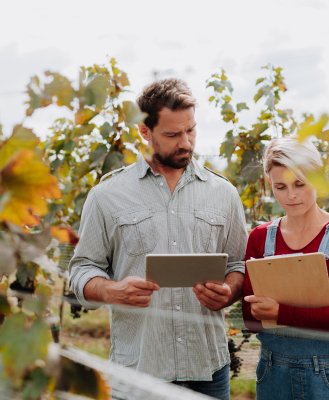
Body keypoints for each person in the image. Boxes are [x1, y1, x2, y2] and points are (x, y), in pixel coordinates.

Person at [68, 78, 249, 400]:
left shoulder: (224, 194)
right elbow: (81, 270)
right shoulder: (106, 196)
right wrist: (112, 290)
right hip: (138, 369)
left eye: (191, 130)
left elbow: (239, 264)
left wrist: (230, 291)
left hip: (207, 368)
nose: (186, 143)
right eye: (172, 134)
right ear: (144, 132)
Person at [242, 136, 329, 400]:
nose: (291, 195)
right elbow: (251, 319)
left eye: (300, 184)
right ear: (270, 184)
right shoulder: (259, 238)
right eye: (280, 187)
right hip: (273, 372)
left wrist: (281, 312)